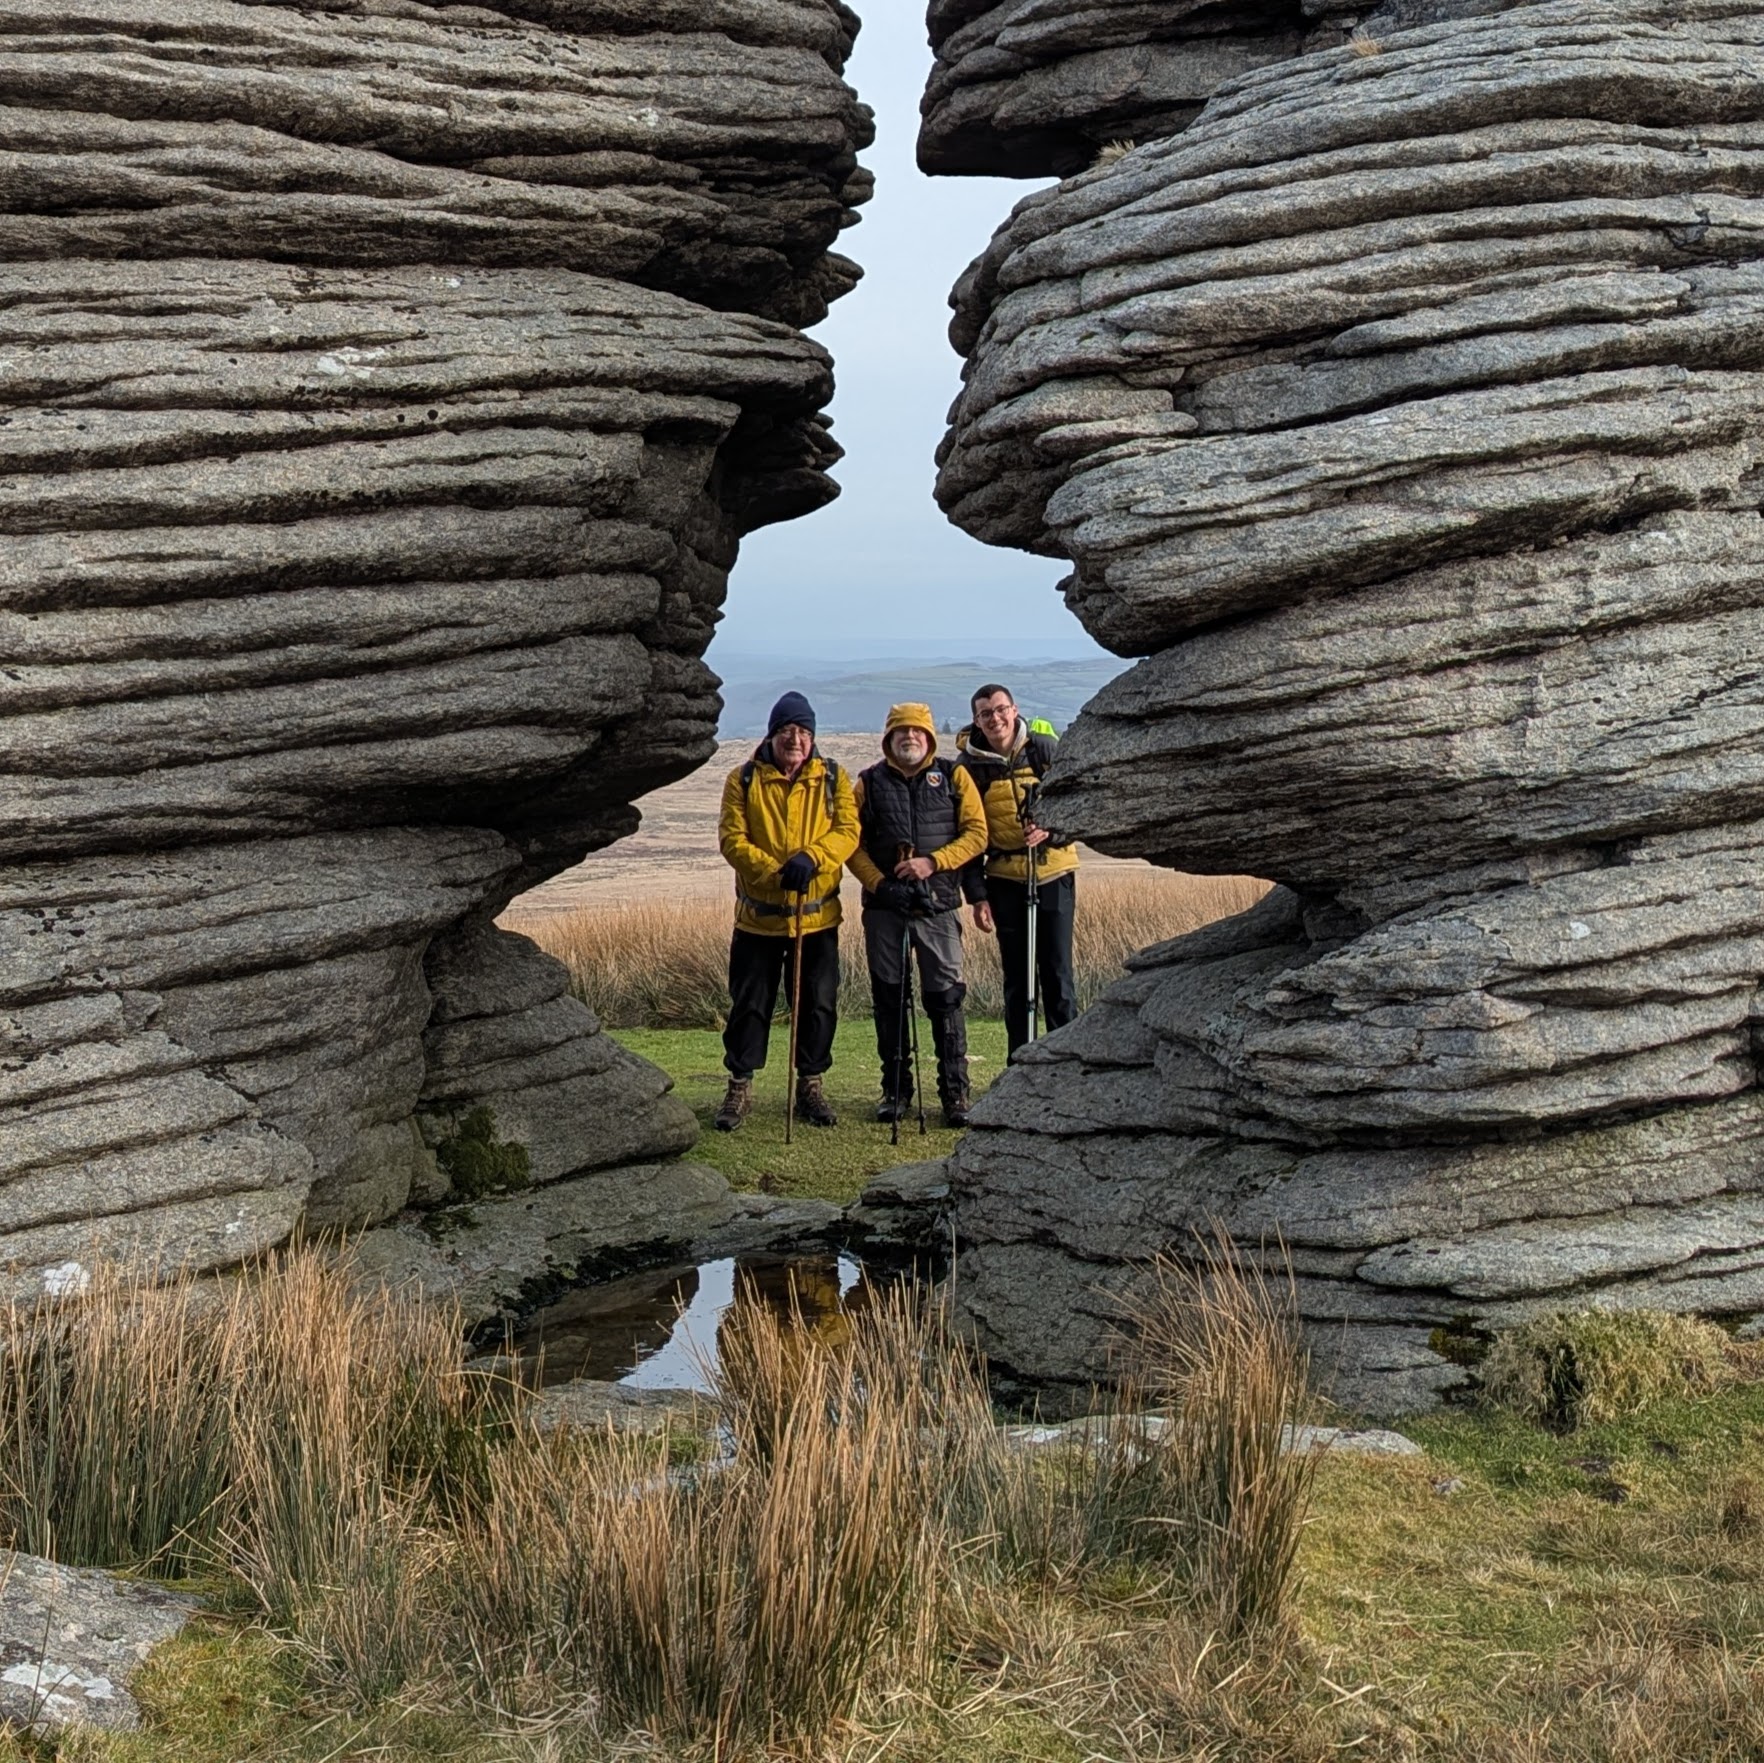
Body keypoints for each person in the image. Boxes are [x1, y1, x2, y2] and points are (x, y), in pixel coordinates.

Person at [714, 692, 860, 1131]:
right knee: (749, 1004)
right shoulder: (741, 780)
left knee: (817, 1004)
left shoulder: (834, 777)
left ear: (812, 737)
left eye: (802, 731)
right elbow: (732, 840)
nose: (794, 739)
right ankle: (739, 1085)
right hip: (758, 919)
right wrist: (779, 872)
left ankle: (810, 1085)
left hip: (816, 920)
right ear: (772, 734)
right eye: (786, 731)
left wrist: (813, 859)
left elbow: (848, 831)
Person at [847, 704, 988, 1127]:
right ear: (888, 739)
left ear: (929, 738)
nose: (910, 737)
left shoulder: (952, 776)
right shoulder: (868, 783)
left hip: (939, 905)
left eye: (917, 731)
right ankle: (895, 1091)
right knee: (890, 999)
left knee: (946, 999)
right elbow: (850, 845)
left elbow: (978, 834)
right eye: (901, 732)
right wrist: (879, 885)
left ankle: (955, 1095)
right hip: (884, 910)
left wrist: (933, 863)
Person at [956, 683, 1079, 1056]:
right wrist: (977, 896)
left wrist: (1051, 831)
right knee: (1018, 980)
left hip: (1054, 871)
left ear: (1015, 709)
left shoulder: (1043, 750)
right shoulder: (969, 767)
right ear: (976, 720)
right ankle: (1020, 1063)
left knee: (1058, 975)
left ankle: (1066, 1064)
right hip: (1004, 880)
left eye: (1000, 709)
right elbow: (968, 834)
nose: (995, 718)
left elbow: (1077, 805)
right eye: (986, 713)